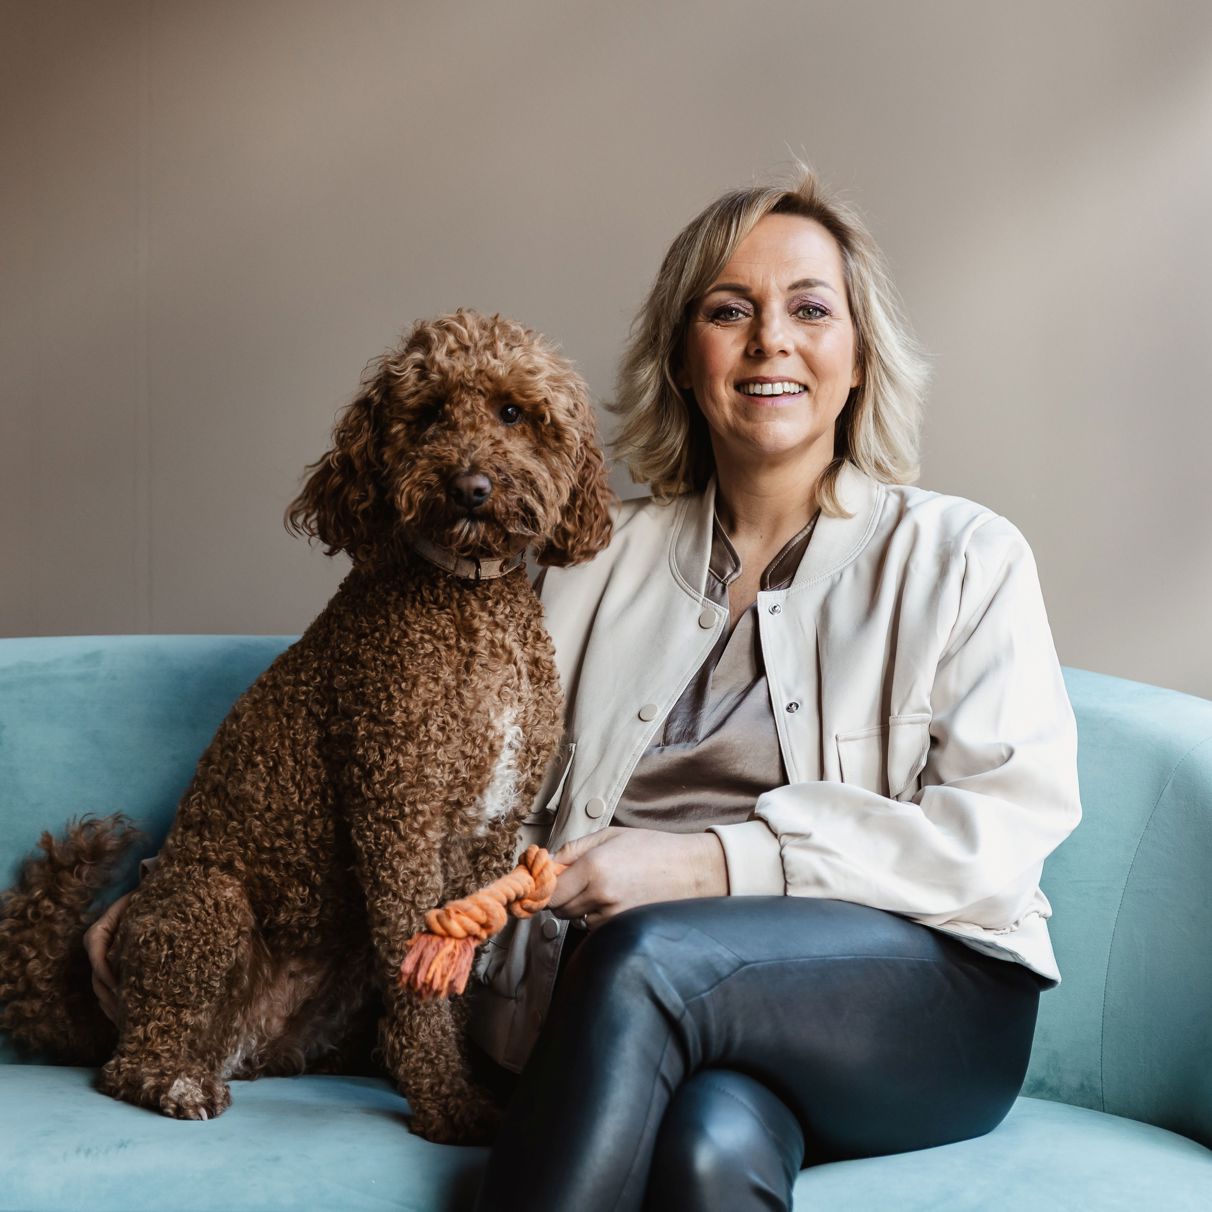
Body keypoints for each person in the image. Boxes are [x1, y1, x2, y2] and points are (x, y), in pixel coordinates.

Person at [88, 173, 1082, 1212]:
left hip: (918, 1007)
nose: (770, 341)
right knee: (710, 1145)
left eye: (810, 309)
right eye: (729, 311)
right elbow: (422, 769)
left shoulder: (964, 558)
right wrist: (176, 924)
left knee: (645, 951)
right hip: (648, 1019)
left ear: (860, 355)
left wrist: (705, 864)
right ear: (682, 359)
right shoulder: (582, 568)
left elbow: (1001, 838)